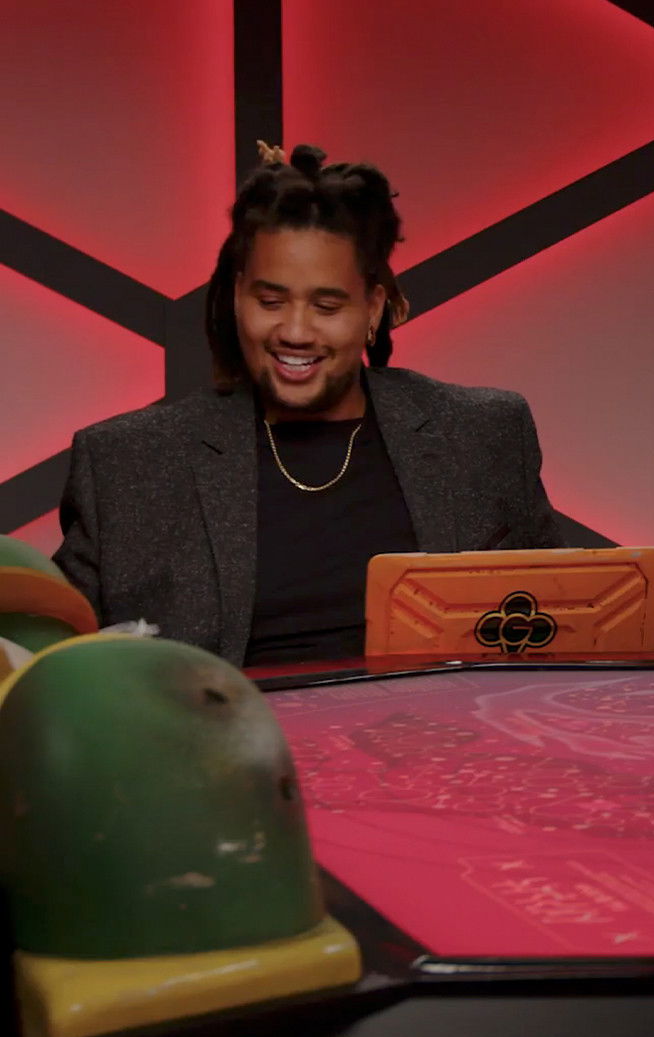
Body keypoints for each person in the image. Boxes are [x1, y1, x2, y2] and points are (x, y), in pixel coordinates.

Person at [55, 143, 560, 668]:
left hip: (448, 720)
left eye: (326, 306)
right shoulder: (127, 463)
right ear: (238, 297)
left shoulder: (483, 435)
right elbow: (42, 665)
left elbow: (567, 631)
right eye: (271, 302)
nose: (295, 331)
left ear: (373, 309)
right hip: (226, 722)